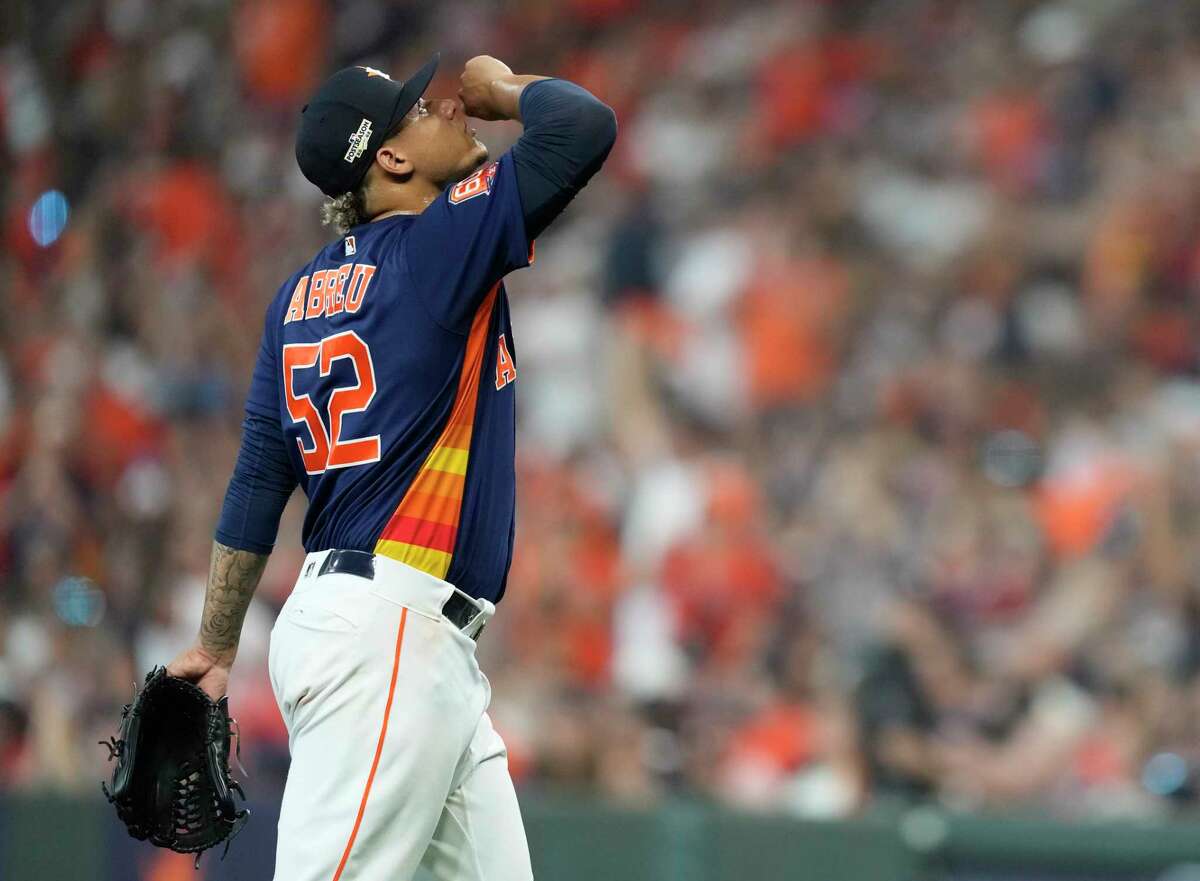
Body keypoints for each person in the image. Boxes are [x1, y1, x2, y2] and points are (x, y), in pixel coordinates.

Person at [164, 53, 617, 881]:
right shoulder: (436, 248)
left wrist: (216, 645)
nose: (448, 107)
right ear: (392, 160)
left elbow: (260, 480)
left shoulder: (295, 298)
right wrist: (510, 92)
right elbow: (583, 126)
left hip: (397, 639)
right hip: (389, 637)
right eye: (421, 110)